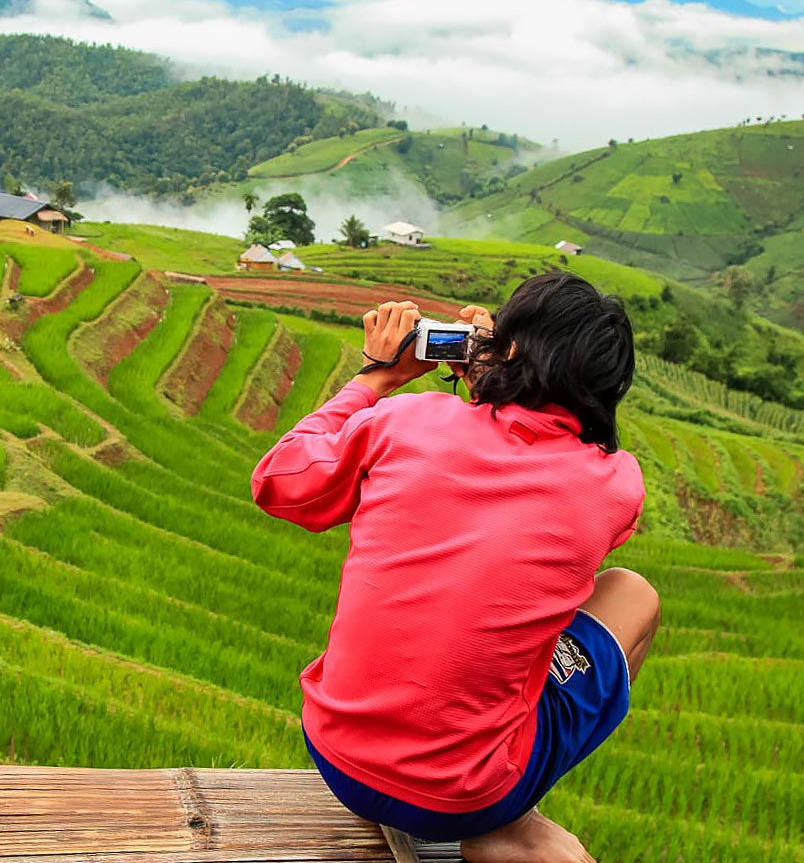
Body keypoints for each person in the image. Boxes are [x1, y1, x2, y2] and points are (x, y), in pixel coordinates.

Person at [251, 273, 657, 863]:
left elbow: (279, 481)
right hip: (463, 797)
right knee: (630, 593)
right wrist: (504, 375)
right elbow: (513, 521)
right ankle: (511, 815)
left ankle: (502, 800)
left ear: (508, 348)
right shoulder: (617, 484)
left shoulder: (404, 423)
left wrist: (378, 376)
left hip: (338, 757)